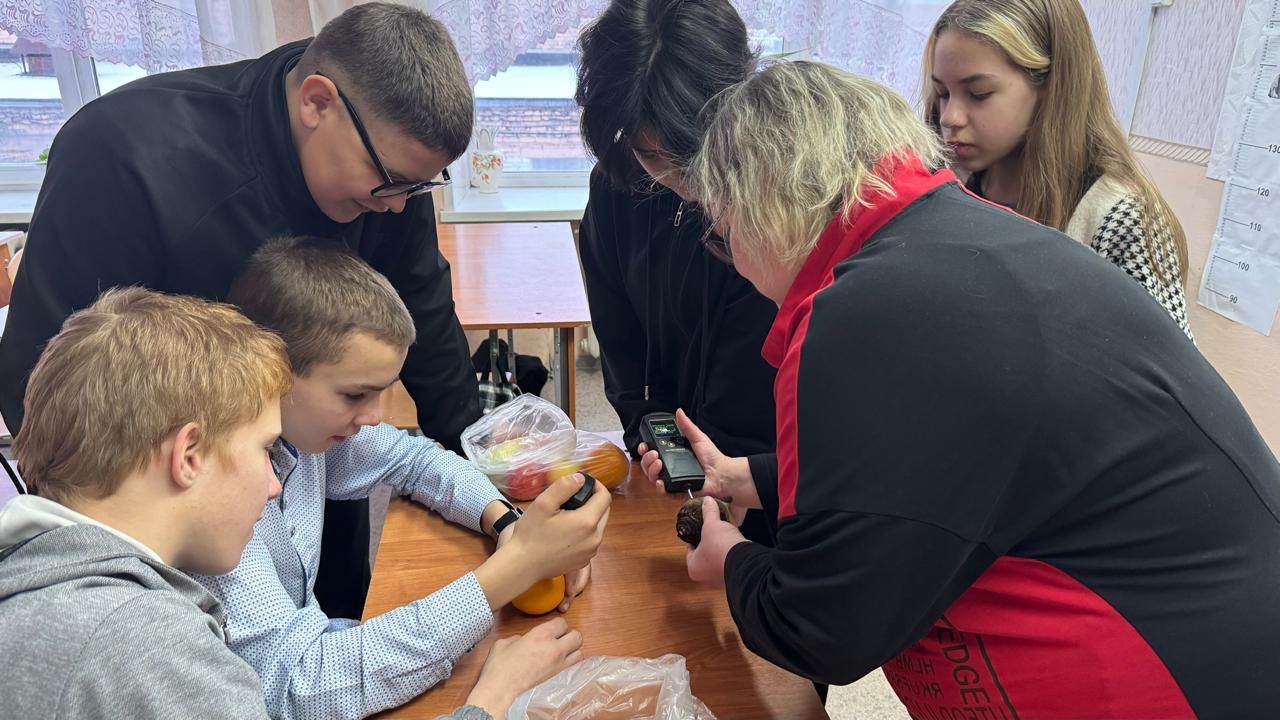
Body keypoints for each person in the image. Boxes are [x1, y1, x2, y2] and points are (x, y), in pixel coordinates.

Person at [648, 60, 1280, 719]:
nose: (734, 258)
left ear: (760, 207)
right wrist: (750, 478)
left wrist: (730, 560)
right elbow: (933, 469)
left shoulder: (858, 309)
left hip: (1176, 672)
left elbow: (822, 628)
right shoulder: (953, 240)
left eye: (724, 233)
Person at [0, 2, 481, 620]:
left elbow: (425, 309)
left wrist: (480, 466)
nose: (397, 206)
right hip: (179, 509)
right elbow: (43, 384)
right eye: (392, 183)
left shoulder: (389, 174)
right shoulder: (123, 154)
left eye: (418, 188)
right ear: (317, 102)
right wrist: (146, 573)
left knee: (332, 613)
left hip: (310, 459)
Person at [195, 237, 608, 720]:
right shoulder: (218, 503)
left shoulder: (305, 436)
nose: (375, 416)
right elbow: (299, 686)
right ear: (271, 372)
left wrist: (506, 524)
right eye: (355, 395)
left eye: (381, 393)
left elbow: (414, 459)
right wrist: (513, 570)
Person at [0, 288, 289, 720]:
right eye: (266, 449)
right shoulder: (145, 644)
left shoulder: (27, 579)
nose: (274, 485)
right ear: (189, 456)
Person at [574, 1, 779, 509]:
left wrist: (738, 476)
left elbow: (762, 367)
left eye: (690, 152)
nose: (679, 178)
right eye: (650, 154)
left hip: (767, 460)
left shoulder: (774, 198)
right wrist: (644, 422)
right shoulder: (616, 187)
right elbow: (617, 330)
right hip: (677, 458)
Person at [923, 0, 1194, 339]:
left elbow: (1163, 368)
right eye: (943, 93)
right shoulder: (944, 182)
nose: (950, 117)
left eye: (979, 94)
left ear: (1052, 88)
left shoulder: (1122, 219)